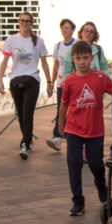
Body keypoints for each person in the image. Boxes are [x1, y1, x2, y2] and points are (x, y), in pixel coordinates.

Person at [58, 40, 112, 215]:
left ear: (91, 57)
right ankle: (78, 201)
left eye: (85, 58)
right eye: (78, 58)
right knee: (74, 163)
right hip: (74, 129)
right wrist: (60, 127)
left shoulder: (100, 77)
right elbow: (63, 105)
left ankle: (101, 185)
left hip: (95, 129)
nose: (82, 61)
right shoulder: (68, 81)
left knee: (96, 164)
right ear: (73, 59)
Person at [0, 11, 52, 159]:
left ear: (32, 24)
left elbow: (45, 63)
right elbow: (5, 61)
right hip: (15, 79)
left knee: (28, 112)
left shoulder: (38, 41)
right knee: (20, 113)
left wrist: (49, 82)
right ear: (18, 22)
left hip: (32, 79)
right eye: (22, 21)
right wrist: (0, 79)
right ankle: (27, 138)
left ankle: (25, 143)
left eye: (27, 21)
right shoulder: (12, 40)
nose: (25, 23)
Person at [45, 18, 76, 151]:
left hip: (74, 83)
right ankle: (57, 136)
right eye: (62, 28)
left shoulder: (76, 45)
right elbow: (56, 65)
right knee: (61, 109)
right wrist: (51, 82)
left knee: (74, 110)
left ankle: (73, 136)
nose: (64, 30)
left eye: (67, 27)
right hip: (61, 83)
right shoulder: (58, 46)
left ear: (72, 30)